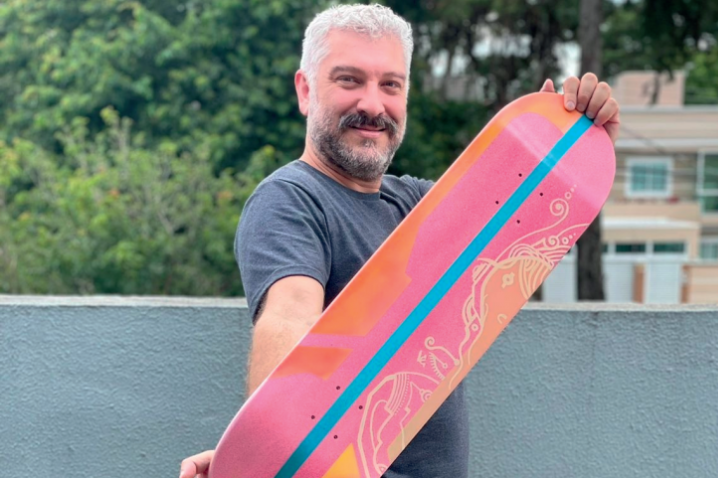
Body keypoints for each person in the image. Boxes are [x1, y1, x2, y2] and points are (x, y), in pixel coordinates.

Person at [179, 4, 620, 478]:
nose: (373, 105)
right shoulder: (290, 200)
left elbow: (520, 233)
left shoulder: (417, 205)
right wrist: (274, 451)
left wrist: (578, 140)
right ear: (306, 90)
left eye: (390, 85)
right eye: (349, 80)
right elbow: (288, 318)